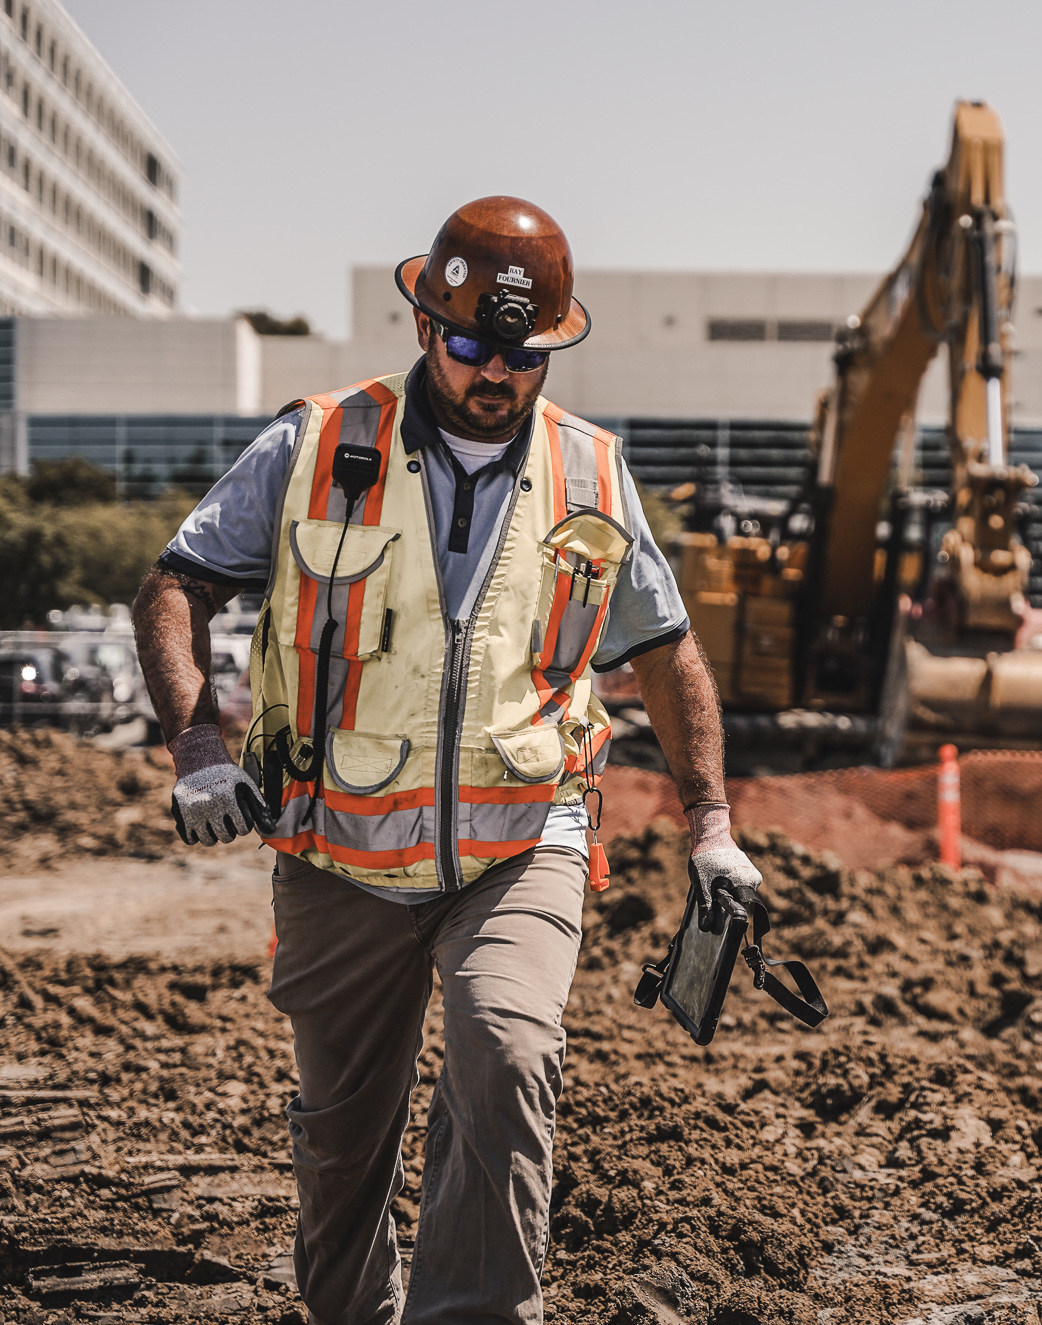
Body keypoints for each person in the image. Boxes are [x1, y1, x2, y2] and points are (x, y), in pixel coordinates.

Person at [133, 197, 759, 1324]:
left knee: (508, 1054)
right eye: (469, 342)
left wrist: (711, 824)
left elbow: (663, 652)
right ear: (425, 325)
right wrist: (196, 746)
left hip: (520, 843)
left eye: (520, 352)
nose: (493, 371)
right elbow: (175, 584)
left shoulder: (592, 473)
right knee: (342, 1137)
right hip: (336, 854)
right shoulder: (315, 443)